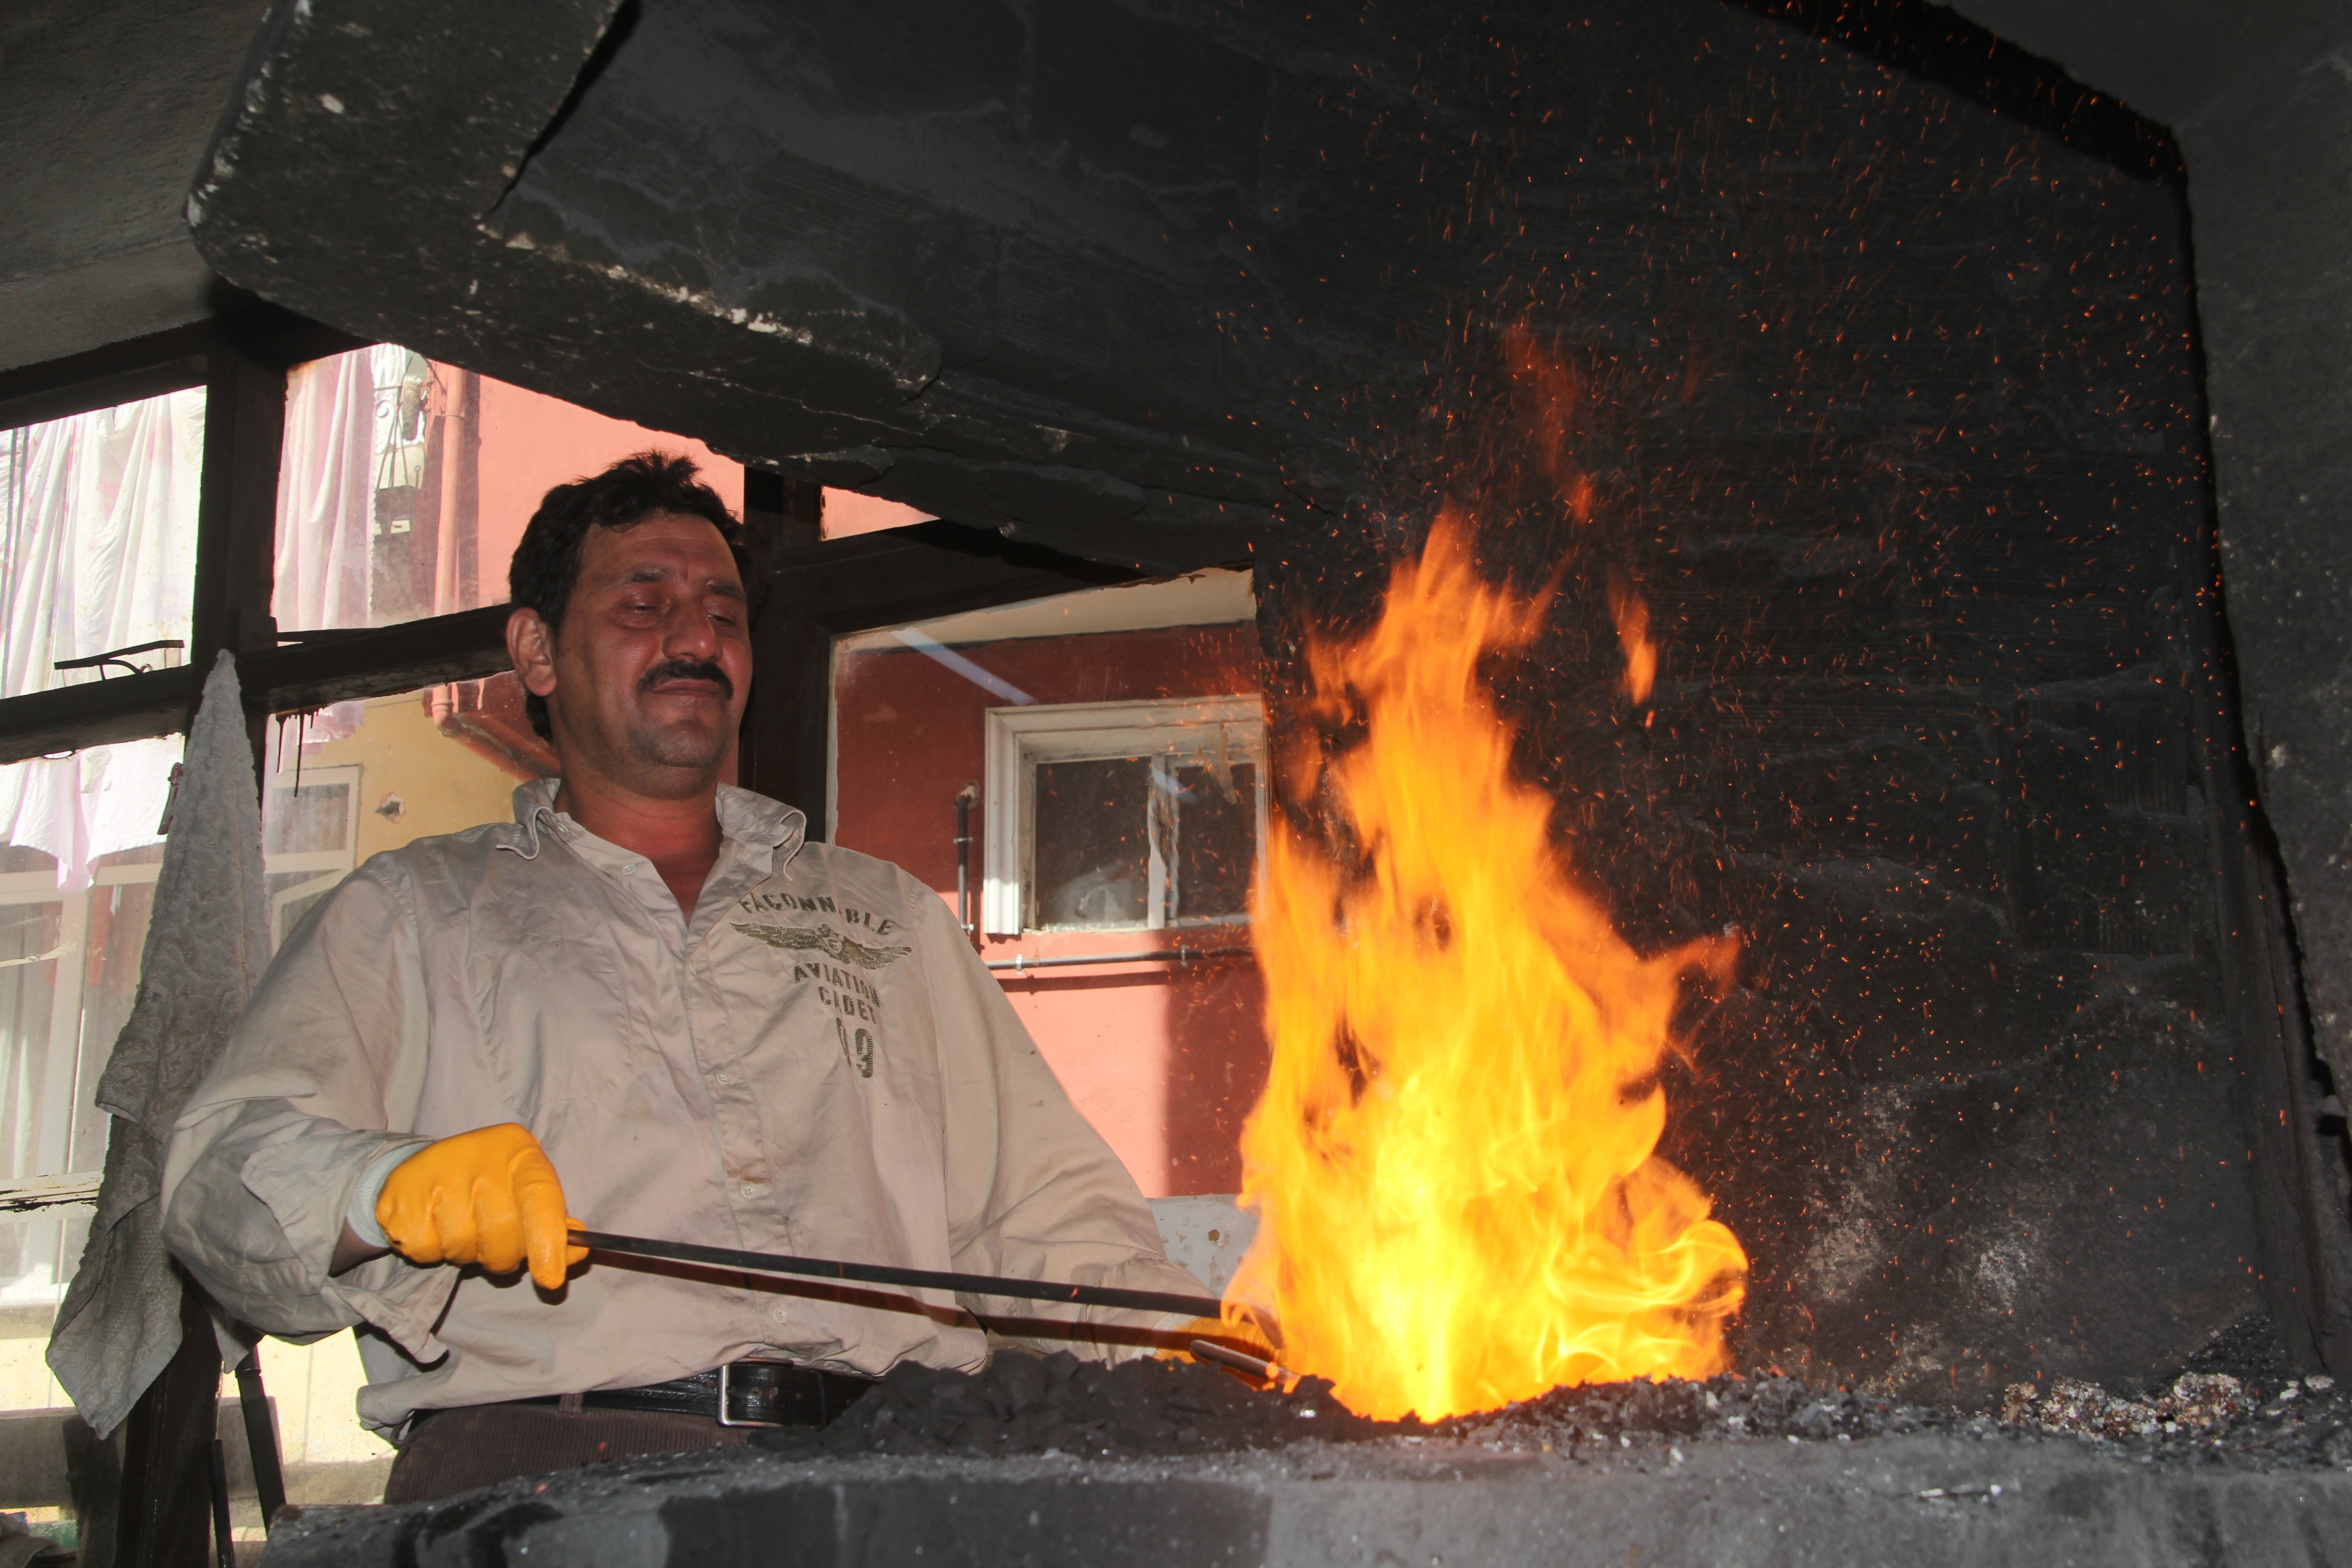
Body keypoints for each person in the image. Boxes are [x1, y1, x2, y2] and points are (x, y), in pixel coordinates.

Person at [161, 453, 1211, 1502]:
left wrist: (1201, 1352)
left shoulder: (885, 918)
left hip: (901, 1476)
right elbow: (220, 1184)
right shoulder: (411, 914)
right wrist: (377, 1185)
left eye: (723, 613)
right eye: (644, 603)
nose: (699, 640)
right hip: (546, 1482)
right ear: (536, 651)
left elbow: (1046, 1213)